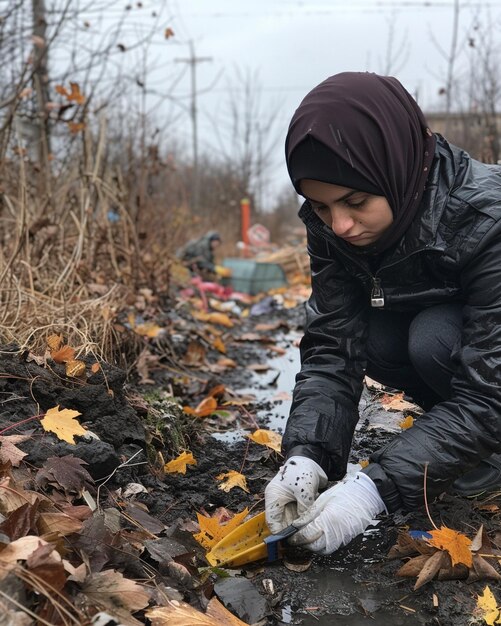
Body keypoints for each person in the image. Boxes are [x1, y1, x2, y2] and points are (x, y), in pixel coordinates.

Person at [264, 71, 501, 555]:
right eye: (322, 206)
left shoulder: (487, 217)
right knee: (372, 336)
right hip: (462, 353)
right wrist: (308, 455)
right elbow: (334, 344)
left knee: (431, 336)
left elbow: (490, 387)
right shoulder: (330, 226)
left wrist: (378, 487)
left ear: (398, 166)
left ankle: (486, 450)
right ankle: (455, 444)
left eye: (355, 201)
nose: (342, 224)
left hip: (486, 365)